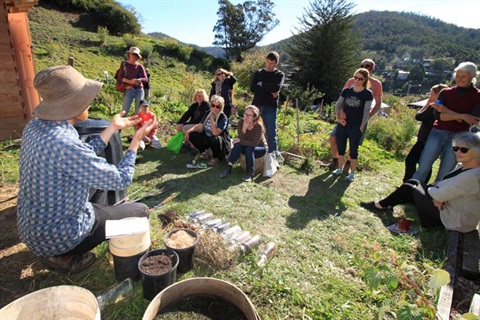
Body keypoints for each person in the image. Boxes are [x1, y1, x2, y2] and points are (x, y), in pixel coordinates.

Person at [17, 65, 157, 274]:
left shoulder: (35, 127)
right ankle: (64, 255)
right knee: (140, 212)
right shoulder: (65, 144)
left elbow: (79, 156)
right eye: (85, 97)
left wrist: (112, 128)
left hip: (34, 228)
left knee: (100, 187)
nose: (89, 102)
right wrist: (135, 142)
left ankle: (97, 222)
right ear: (74, 104)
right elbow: (121, 180)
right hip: (57, 238)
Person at [361, 131, 480, 233]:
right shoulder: (464, 167)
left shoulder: (473, 175)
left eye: (464, 150)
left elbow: (439, 193)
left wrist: (438, 196)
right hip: (447, 206)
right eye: (455, 148)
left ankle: (381, 205)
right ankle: (383, 205)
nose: (458, 152)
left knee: (413, 187)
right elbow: (442, 184)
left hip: (455, 220)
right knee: (413, 183)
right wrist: (437, 193)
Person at [413, 62, 480, 183]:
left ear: (472, 76)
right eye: (457, 76)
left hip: (460, 137)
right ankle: (411, 190)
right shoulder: (445, 92)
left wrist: (446, 111)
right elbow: (438, 116)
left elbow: (473, 120)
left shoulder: (478, 96)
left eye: (463, 76)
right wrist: (462, 116)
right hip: (438, 131)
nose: (459, 79)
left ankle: (435, 197)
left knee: (446, 171)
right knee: (424, 165)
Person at [328, 59, 383, 171]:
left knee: (354, 143)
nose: (365, 67)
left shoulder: (376, 84)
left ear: (372, 68)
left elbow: (378, 104)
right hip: (345, 117)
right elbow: (342, 99)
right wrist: (341, 112)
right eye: (362, 65)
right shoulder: (351, 81)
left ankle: (348, 166)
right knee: (333, 138)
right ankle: (335, 162)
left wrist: (366, 118)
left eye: (368, 65)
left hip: (360, 118)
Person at [332, 68, 373, 182]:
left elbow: (366, 112)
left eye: (360, 78)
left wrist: (362, 126)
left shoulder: (367, 94)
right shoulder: (346, 91)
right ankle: (339, 168)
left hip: (356, 126)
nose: (357, 80)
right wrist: (339, 116)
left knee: (353, 150)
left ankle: (352, 173)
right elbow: (338, 104)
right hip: (343, 123)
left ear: (364, 80)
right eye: (355, 77)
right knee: (341, 147)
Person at [403, 84, 448, 182]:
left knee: (411, 160)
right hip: (429, 139)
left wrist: (427, 104)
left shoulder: (434, 108)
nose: (429, 96)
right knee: (425, 164)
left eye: (431, 93)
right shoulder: (443, 108)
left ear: (437, 94)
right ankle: (418, 184)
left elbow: (419, 116)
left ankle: (409, 182)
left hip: (424, 140)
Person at [250, 51, 285, 160]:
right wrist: (269, 89)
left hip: (270, 107)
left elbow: (276, 88)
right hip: (256, 107)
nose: (269, 65)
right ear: (265, 60)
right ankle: (251, 155)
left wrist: (262, 84)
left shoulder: (279, 74)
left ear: (276, 63)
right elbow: (252, 88)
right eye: (268, 62)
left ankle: (273, 158)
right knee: (252, 130)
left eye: (272, 63)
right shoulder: (259, 73)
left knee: (271, 133)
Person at [219, 105, 268, 182]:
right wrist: (244, 128)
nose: (246, 117)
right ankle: (228, 168)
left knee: (249, 148)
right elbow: (241, 138)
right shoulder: (241, 123)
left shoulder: (258, 126)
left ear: (254, 117)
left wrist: (240, 141)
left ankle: (250, 173)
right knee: (238, 145)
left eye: (249, 115)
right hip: (247, 145)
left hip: (260, 148)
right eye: (245, 114)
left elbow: (254, 144)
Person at [186, 95, 231, 166]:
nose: (215, 108)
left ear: (221, 107)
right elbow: (199, 125)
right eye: (213, 105)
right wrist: (188, 131)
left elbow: (215, 133)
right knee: (192, 135)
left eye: (217, 106)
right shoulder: (208, 113)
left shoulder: (223, 118)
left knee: (214, 139)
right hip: (207, 136)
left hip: (219, 141)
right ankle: (204, 152)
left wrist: (212, 120)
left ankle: (215, 158)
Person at [118, 46, 148, 116]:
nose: (135, 56)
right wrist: (130, 82)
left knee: (138, 111)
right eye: (133, 54)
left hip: (139, 90)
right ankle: (120, 126)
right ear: (129, 54)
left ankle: (137, 126)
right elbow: (120, 78)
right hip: (128, 89)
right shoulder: (124, 64)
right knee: (124, 111)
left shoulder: (140, 66)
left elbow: (145, 79)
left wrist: (138, 80)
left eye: (136, 55)